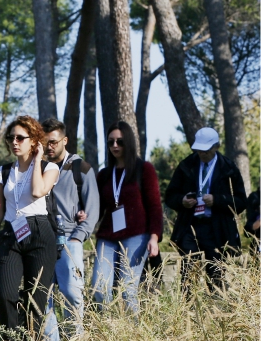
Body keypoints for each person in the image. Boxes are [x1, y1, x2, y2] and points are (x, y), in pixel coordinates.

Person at [0, 116, 60, 341]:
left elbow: (38, 190)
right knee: (4, 293)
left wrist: (38, 159)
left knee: (36, 300)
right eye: (11, 137)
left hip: (40, 232)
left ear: (34, 141)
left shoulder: (49, 167)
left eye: (21, 137)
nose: (14, 142)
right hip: (12, 232)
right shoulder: (3, 171)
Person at [163, 127, 246, 292]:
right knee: (188, 272)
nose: (202, 154)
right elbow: (170, 196)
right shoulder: (186, 166)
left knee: (215, 274)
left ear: (216, 146)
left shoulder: (229, 168)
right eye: (199, 150)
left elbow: (240, 202)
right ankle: (187, 311)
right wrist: (182, 201)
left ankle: (216, 311)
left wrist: (218, 200)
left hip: (216, 229)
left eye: (206, 150)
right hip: (190, 226)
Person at [91, 121, 161, 314]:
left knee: (127, 290)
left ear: (129, 143)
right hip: (108, 236)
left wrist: (154, 237)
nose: (115, 146)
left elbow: (155, 206)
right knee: (99, 287)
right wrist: (84, 217)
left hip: (137, 236)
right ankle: (108, 331)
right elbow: (97, 208)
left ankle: (133, 335)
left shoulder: (144, 169)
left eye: (120, 142)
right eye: (111, 142)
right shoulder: (105, 174)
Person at [40, 118, 99, 341]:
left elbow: (92, 208)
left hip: (69, 240)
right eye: (45, 142)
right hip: (42, 240)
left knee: (72, 295)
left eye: (53, 142)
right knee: (44, 296)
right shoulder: (37, 166)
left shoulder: (79, 168)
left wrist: (77, 237)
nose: (49, 147)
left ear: (64, 140)